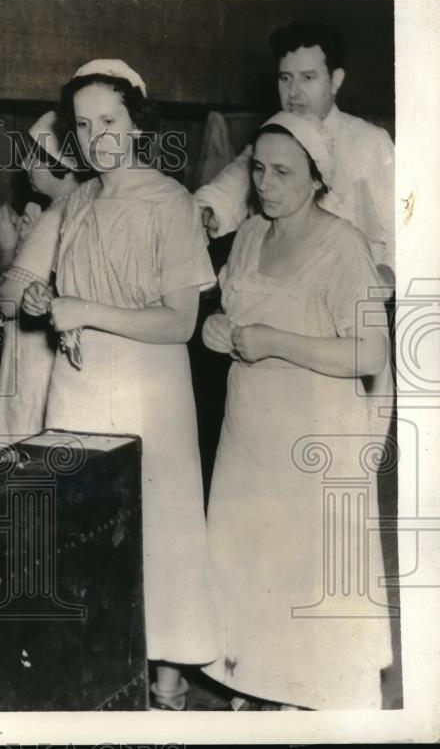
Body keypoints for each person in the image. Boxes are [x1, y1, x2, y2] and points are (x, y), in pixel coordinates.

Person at [22, 60, 218, 710]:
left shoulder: (171, 203)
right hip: (78, 388)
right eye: (82, 125)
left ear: (137, 122)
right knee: (84, 526)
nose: (97, 136)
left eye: (109, 120)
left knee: (157, 529)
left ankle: (169, 680)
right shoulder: (77, 198)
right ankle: (103, 667)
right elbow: (73, 291)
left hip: (148, 389)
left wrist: (85, 311)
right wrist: (46, 301)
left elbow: (180, 322)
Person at [201, 112, 392, 710]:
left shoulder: (343, 246)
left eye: (283, 172)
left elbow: (371, 351)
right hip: (248, 436)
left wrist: (276, 341)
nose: (265, 183)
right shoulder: (253, 234)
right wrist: (217, 329)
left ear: (317, 178)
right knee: (247, 561)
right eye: (258, 168)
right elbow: (234, 311)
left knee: (300, 568)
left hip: (310, 436)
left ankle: (306, 694)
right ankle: (256, 681)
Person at [195, 21, 395, 285]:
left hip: (342, 290)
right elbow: (231, 187)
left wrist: (384, 279)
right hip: (277, 283)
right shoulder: (273, 137)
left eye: (308, 77)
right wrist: (209, 210)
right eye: (285, 78)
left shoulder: (369, 142)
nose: (293, 92)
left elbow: (404, 229)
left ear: (335, 80)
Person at [0, 110, 81, 439]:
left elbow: (7, 302)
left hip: (33, 365)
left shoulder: (55, 216)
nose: (26, 164)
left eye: (34, 155)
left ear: (61, 164)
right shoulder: (79, 207)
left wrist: (6, 247)